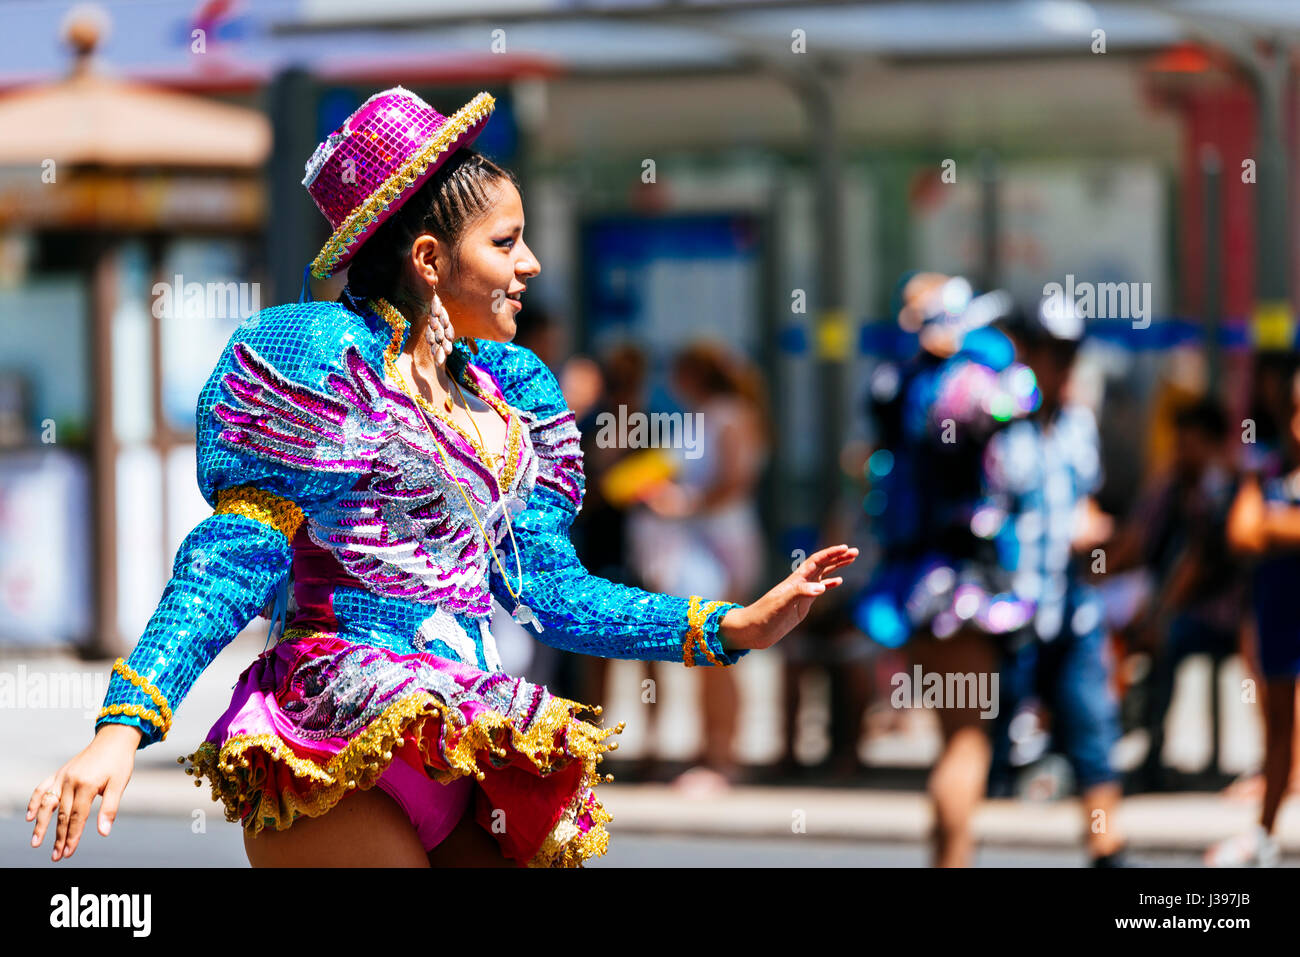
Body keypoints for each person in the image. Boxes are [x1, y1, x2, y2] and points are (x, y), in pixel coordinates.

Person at [27, 87, 857, 867]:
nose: (530, 264)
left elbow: (551, 592)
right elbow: (230, 563)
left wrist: (727, 627)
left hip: (464, 729)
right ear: (428, 257)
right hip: (332, 739)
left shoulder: (510, 394)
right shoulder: (322, 366)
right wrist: (123, 727)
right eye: (505, 241)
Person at [854, 272, 1039, 866]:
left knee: (949, 741)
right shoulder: (964, 385)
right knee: (965, 742)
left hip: (915, 585)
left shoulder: (898, 382)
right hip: (964, 584)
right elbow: (1026, 400)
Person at [979, 298, 1132, 867]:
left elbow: (1086, 505)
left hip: (1071, 611)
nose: (1062, 367)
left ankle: (1106, 849)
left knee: (1093, 731)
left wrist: (1102, 535)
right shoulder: (992, 422)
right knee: (986, 748)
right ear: (1027, 354)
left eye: (1069, 356)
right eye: (1051, 354)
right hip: (1004, 611)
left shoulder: (1077, 424)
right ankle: (959, 852)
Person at [632, 342, 770, 792]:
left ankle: (723, 755)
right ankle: (710, 747)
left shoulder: (728, 413)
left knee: (720, 648)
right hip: (698, 548)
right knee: (703, 646)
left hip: (720, 545)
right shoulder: (705, 413)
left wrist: (682, 505)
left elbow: (735, 481)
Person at [1102, 398, 1242, 790]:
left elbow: (1198, 562)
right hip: (1166, 604)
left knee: (1167, 639)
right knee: (1111, 632)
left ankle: (1150, 750)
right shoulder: (1173, 484)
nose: (1181, 450)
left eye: (1188, 441)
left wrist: (1158, 616)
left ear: (1210, 442)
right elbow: (1137, 538)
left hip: (1222, 614)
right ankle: (1115, 734)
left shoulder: (1223, 486)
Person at [1208, 361, 1300, 867]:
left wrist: (1273, 526)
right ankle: (1264, 834)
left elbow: (1259, 529)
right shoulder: (1262, 469)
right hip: (1280, 619)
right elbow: (1243, 534)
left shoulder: (1265, 479)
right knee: (1279, 732)